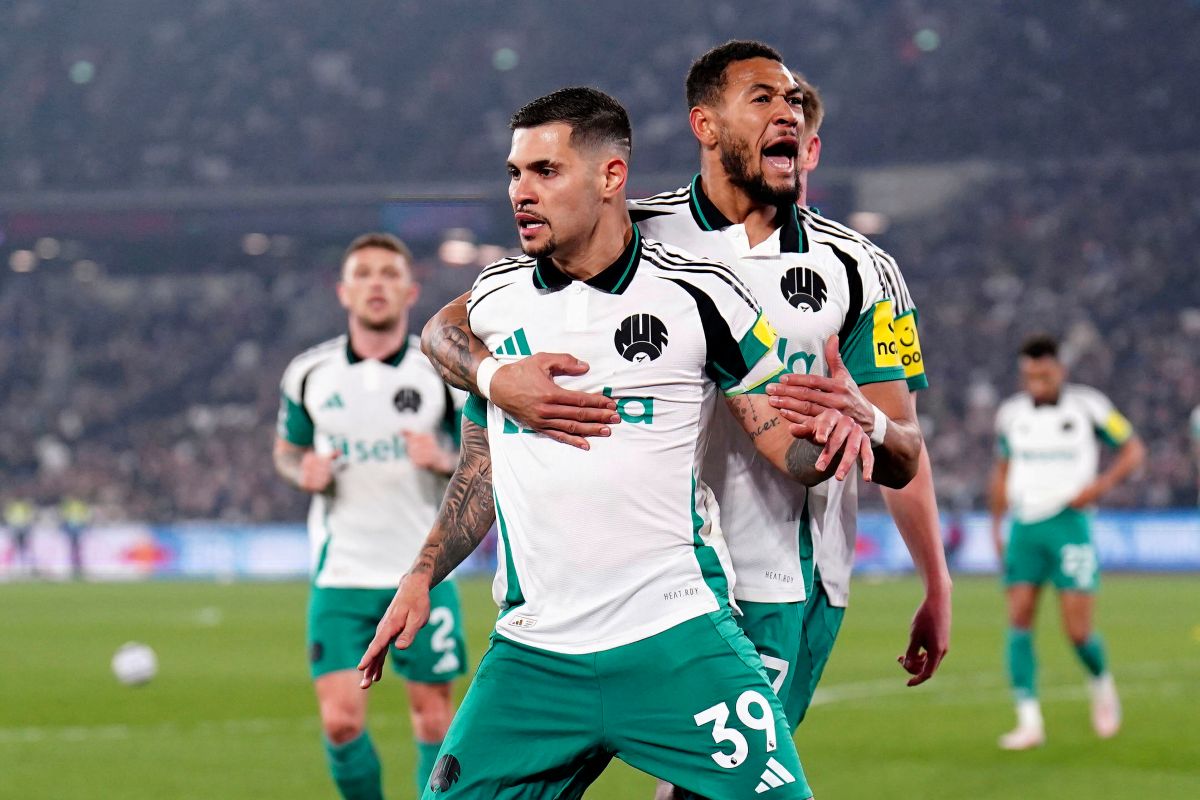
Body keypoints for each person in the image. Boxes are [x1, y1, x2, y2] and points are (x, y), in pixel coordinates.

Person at [361, 87, 902, 800]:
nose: (521, 192)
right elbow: (476, 454)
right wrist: (421, 572)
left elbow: (789, 454)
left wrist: (842, 432)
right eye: (514, 173)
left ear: (611, 177)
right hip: (533, 654)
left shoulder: (703, 295)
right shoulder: (496, 299)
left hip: (677, 638)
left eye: (545, 172)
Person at [274, 233, 468, 799]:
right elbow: (287, 450)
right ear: (343, 291)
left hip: (423, 575)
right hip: (341, 578)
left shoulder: (442, 371)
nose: (376, 284)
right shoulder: (309, 373)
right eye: (364, 274)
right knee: (340, 723)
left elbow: (482, 459)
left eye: (388, 274)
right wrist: (301, 470)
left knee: (434, 722)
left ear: (410, 291)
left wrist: (443, 458)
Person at [989, 334, 1145, 750]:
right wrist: (996, 527)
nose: (1036, 381)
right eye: (1029, 375)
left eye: (1043, 373)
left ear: (1060, 370)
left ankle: (1101, 682)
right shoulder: (1010, 415)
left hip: (1070, 524)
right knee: (1018, 619)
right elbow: (1002, 472)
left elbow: (1132, 449)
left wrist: (1098, 488)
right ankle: (1028, 721)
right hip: (1025, 526)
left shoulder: (1089, 406)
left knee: (1077, 630)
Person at [3, 496, 37, 576]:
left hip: (22, 528)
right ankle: (16, 566)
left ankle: (24, 567)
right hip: (15, 528)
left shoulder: (23, 506)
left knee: (23, 549)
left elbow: (30, 515)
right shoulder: (12, 506)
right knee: (16, 548)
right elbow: (7, 515)